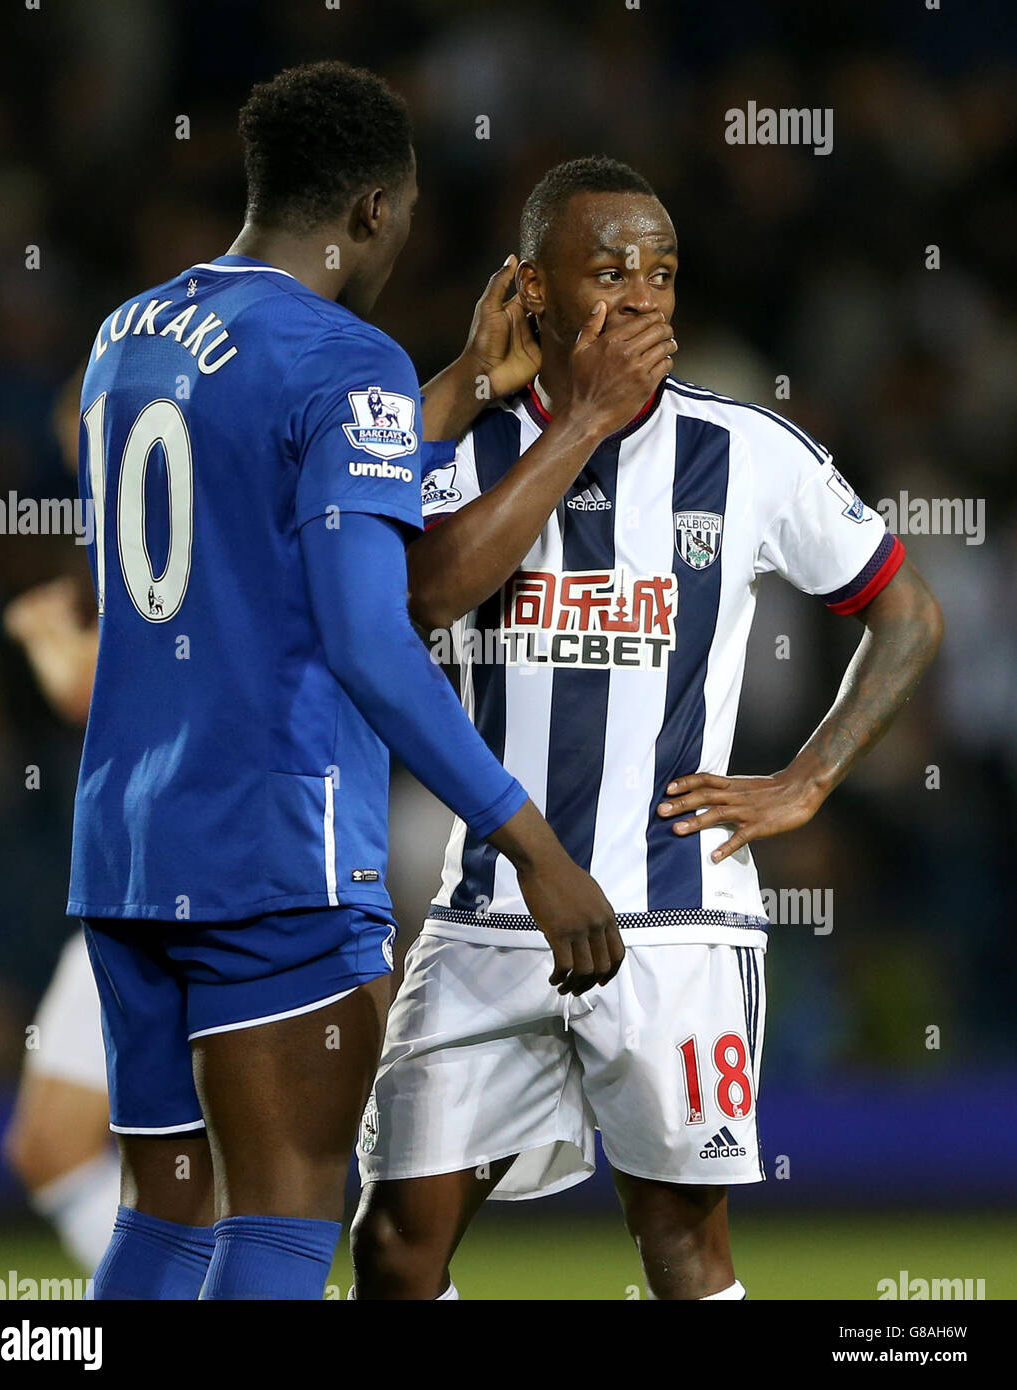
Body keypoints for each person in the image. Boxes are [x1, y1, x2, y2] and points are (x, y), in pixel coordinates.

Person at [71, 67, 625, 1301]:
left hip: (127, 837)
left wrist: (460, 391)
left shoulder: (129, 338)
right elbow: (373, 641)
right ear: (373, 210)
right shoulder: (344, 356)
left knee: (163, 1211)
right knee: (283, 1212)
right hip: (271, 843)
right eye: (410, 217)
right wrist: (530, 842)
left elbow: (251, 505)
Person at [350, 156, 945, 1301]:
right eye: (608, 269)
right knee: (392, 1252)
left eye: (661, 272)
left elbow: (906, 614)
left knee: (678, 1249)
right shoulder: (462, 445)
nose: (641, 296)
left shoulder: (748, 451)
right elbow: (426, 595)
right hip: (489, 919)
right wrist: (575, 424)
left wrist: (808, 778)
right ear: (530, 287)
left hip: (674, 919)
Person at [2, 578, 115, 1273]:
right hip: (128, 896)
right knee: (46, 1147)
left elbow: (83, 682)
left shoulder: (206, 515)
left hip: (183, 899)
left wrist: (38, 624)